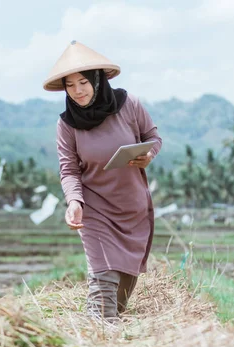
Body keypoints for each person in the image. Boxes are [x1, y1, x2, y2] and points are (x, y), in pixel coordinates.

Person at [43, 41, 162, 323]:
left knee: (123, 285)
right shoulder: (67, 124)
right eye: (70, 85)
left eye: (83, 82)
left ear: (97, 79)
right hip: (94, 208)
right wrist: (74, 201)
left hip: (132, 207)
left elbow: (154, 138)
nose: (78, 90)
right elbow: (68, 169)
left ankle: (111, 335)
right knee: (102, 279)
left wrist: (148, 155)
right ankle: (94, 337)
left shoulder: (128, 105)